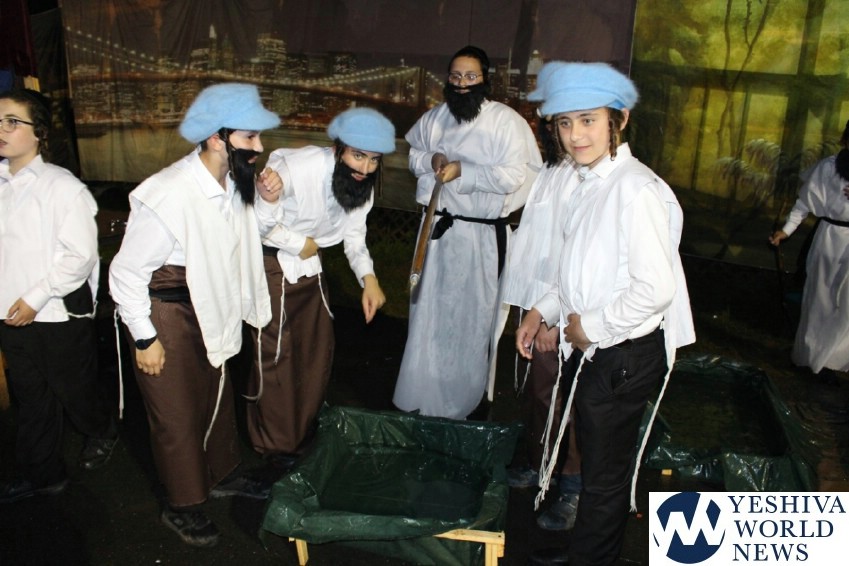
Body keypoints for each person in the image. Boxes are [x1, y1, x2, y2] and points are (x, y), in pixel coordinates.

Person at [515, 62, 695, 565]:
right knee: (597, 470)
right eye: (565, 122)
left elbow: (655, 289)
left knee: (604, 479)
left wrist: (588, 328)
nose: (575, 135)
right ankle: (587, 553)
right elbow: (577, 268)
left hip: (622, 352)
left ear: (620, 120)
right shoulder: (590, 181)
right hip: (598, 348)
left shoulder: (635, 190)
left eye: (588, 120)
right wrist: (541, 309)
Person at [108, 83, 278, 547]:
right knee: (177, 414)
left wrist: (267, 200)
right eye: (250, 136)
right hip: (168, 315)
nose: (260, 146)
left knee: (215, 398)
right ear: (216, 138)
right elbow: (125, 273)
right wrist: (145, 338)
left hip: (210, 306)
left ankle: (219, 473)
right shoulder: (169, 192)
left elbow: (249, 235)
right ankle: (181, 505)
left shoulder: (232, 182)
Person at [393, 45, 542, 420]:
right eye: (456, 76)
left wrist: (464, 170)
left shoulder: (505, 122)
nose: (462, 84)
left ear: (485, 80)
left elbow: (514, 175)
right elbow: (413, 156)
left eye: (470, 76)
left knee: (472, 322)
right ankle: (420, 396)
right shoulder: (435, 117)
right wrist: (432, 159)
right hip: (437, 234)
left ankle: (465, 403)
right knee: (428, 317)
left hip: (480, 239)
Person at [250, 107, 392, 467]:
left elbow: (354, 236)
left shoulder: (361, 186)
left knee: (317, 351)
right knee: (277, 358)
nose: (365, 168)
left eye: (374, 160)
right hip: (270, 264)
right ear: (337, 148)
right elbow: (254, 220)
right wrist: (298, 243)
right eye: (358, 155)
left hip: (310, 267)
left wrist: (369, 279)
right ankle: (275, 449)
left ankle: (301, 435)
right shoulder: (298, 168)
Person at [0, 88, 118, 504]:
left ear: (39, 132)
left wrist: (35, 297)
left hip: (56, 313)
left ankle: (102, 430)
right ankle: (44, 474)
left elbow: (80, 257)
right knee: (32, 399)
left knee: (75, 390)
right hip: (9, 315)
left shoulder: (62, 187)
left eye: (12, 122)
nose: (1, 130)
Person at [499, 76, 583, 531]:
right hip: (540, 305)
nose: (558, 130)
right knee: (539, 393)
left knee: (568, 399)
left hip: (566, 315)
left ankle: (571, 485)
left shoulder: (586, 177)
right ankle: (539, 463)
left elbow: (575, 256)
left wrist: (552, 319)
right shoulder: (553, 170)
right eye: (552, 121)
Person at [769, 119, 849, 385]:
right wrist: (786, 230)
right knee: (820, 298)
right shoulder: (829, 167)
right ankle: (813, 358)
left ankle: (837, 358)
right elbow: (804, 203)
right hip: (830, 238)